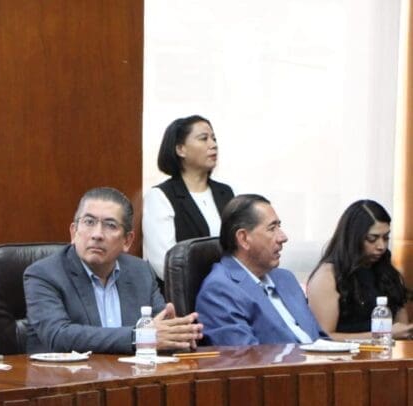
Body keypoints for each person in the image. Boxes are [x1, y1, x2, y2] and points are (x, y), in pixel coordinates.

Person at [23, 187, 203, 354]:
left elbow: (160, 332)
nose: (97, 234)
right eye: (89, 222)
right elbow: (59, 336)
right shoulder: (44, 274)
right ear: (73, 232)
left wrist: (176, 334)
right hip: (66, 376)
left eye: (110, 225)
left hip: (131, 375)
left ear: (127, 241)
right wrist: (138, 337)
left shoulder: (141, 272)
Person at [195, 194, 324, 345]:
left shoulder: (285, 278)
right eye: (272, 228)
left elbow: (319, 338)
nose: (283, 237)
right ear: (243, 238)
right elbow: (244, 355)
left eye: (279, 227)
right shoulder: (219, 290)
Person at [143, 115, 235, 283]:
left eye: (214, 139)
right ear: (180, 149)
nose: (213, 145)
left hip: (229, 287)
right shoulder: (161, 196)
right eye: (203, 139)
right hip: (186, 291)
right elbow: (165, 265)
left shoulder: (225, 192)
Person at [306, 200, 412, 340]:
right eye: (372, 239)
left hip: (388, 352)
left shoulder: (387, 272)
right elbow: (325, 338)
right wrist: (382, 336)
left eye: (386, 238)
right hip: (345, 353)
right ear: (353, 238)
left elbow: (401, 330)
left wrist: (402, 332)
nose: (381, 246)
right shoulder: (327, 276)